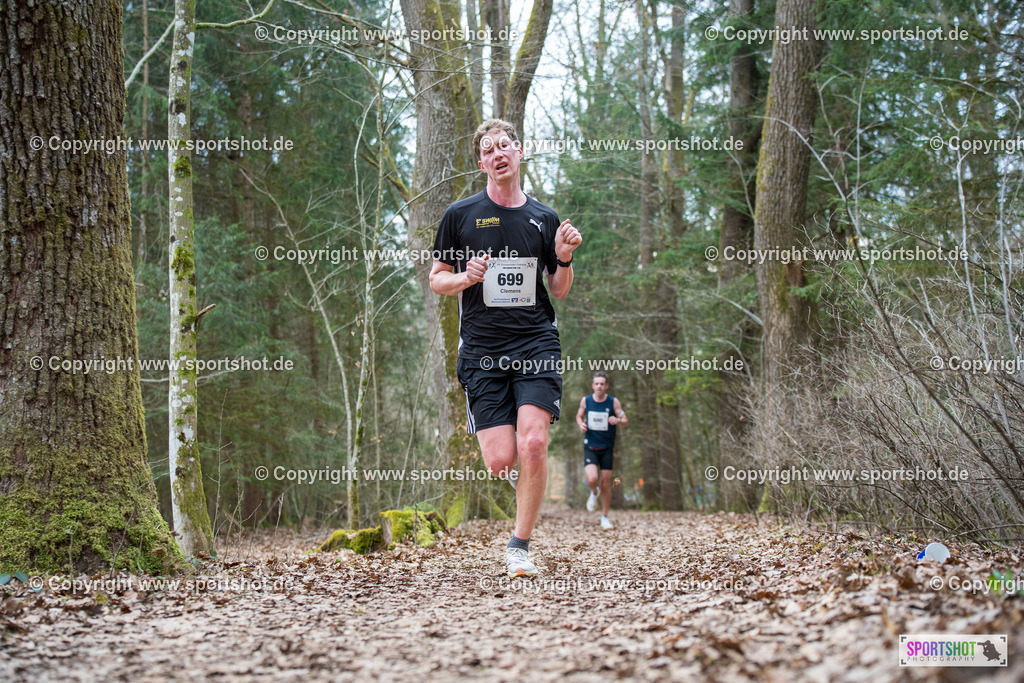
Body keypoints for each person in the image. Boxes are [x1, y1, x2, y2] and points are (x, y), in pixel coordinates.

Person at [429, 119, 582, 577]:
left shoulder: (544, 218)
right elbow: (437, 280)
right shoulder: (460, 216)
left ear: (519, 152)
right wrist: (466, 277)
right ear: (482, 164)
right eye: (489, 150)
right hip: (481, 351)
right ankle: (515, 458)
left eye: (505, 146)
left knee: (533, 443)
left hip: (535, 342)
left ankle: (520, 545)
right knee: (501, 461)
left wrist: (566, 256)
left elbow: (558, 289)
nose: (498, 154)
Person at [576, 372, 627, 529]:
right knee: (592, 479)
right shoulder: (586, 400)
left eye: (602, 384)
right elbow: (578, 416)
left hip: (607, 448)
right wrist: (580, 425)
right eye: (596, 383)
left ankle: (604, 516)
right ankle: (593, 493)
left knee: (605, 484)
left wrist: (617, 420)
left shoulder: (613, 402)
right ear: (593, 386)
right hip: (590, 446)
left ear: (606, 386)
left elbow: (625, 421)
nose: (599, 386)